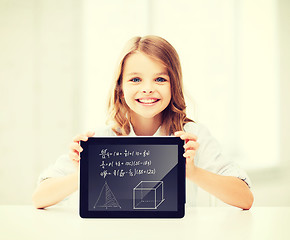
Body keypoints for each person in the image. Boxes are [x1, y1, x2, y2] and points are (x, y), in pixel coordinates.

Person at [32, 35, 254, 210]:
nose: (147, 88)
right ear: (120, 87)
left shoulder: (192, 137)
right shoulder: (101, 139)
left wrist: (192, 171)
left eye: (160, 79)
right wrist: (85, 173)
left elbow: (245, 198)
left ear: (173, 85)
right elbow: (40, 198)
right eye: (135, 79)